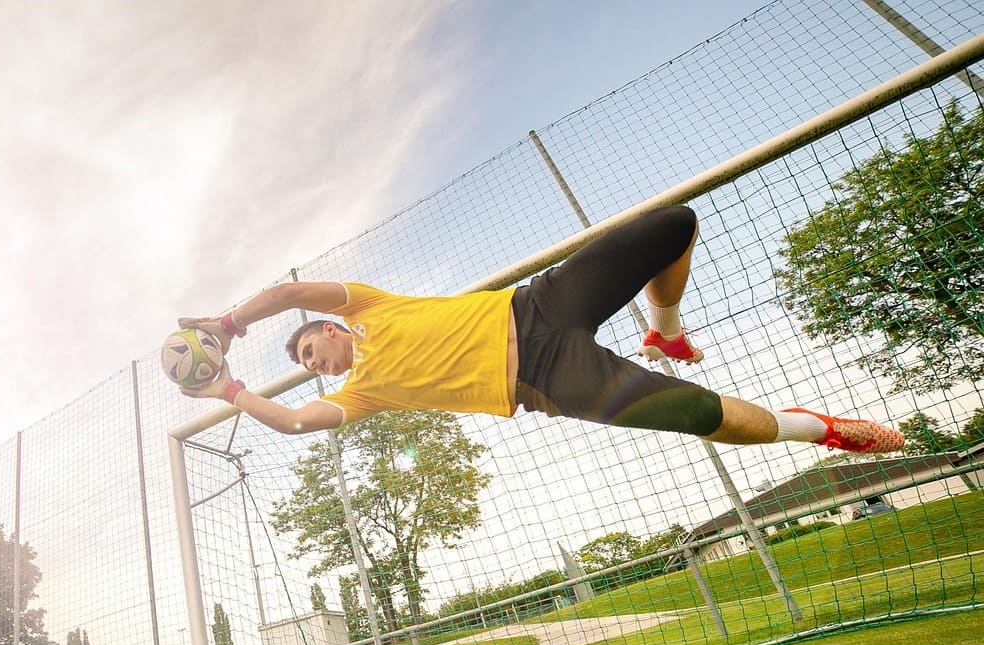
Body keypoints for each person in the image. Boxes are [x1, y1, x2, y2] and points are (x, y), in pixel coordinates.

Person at [177, 206, 904, 454]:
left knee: (673, 226)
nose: (316, 363)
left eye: (312, 347)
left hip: (538, 306)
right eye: (309, 363)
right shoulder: (366, 390)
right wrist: (233, 388)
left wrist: (229, 322)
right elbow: (297, 423)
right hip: (547, 381)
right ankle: (825, 431)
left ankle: (667, 331)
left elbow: (291, 289)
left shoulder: (366, 303)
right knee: (701, 415)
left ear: (333, 327)